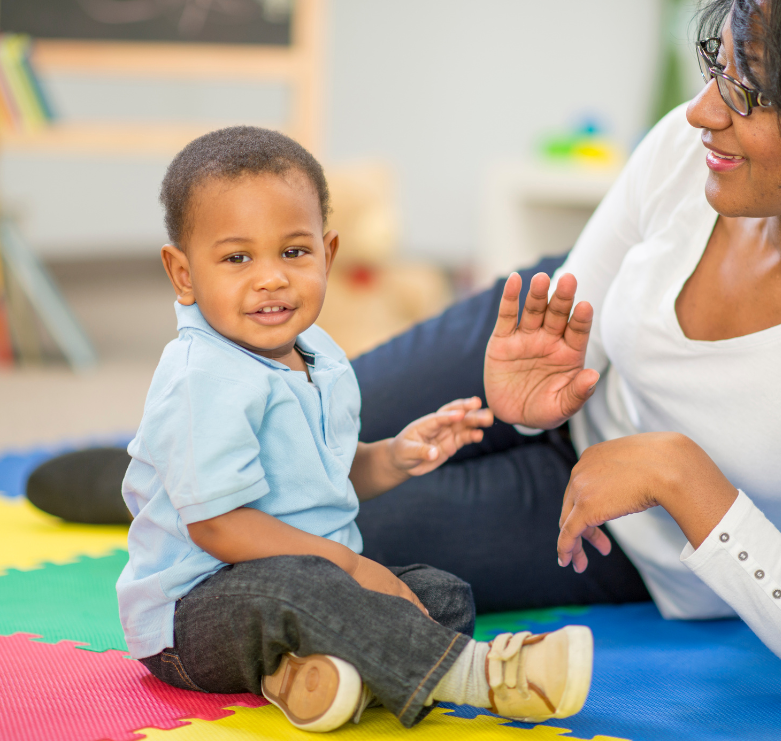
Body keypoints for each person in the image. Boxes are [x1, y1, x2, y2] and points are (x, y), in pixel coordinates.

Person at [28, 0, 781, 712]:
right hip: (548, 343)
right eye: (721, 64)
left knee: (345, 565)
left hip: (623, 539)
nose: (705, 110)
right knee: (300, 410)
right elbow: (574, 308)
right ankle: (169, 470)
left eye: (751, 92)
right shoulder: (689, 148)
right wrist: (524, 403)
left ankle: (203, 486)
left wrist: (677, 472)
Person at [118, 125, 594, 733]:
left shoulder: (318, 353)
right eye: (237, 258)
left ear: (328, 253)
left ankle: (309, 679)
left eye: (294, 252)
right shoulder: (205, 375)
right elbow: (217, 525)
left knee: (441, 594)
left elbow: (325, 479)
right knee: (309, 588)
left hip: (307, 578)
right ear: (182, 273)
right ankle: (478, 676)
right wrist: (348, 566)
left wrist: (395, 457)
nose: (271, 278)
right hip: (198, 614)